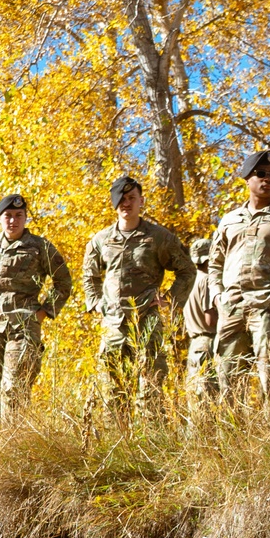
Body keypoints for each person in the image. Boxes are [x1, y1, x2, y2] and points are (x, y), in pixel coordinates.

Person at [82, 176, 195, 416]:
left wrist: (170, 298)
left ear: (141, 201)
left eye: (132, 198)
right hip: (112, 326)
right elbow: (89, 276)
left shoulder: (159, 237)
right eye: (121, 199)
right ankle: (118, 448)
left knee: (150, 392)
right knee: (114, 395)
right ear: (114, 203)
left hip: (147, 323)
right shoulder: (101, 240)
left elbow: (187, 270)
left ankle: (154, 448)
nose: (126, 203)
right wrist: (96, 303)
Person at [0, 193, 72, 426]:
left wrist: (45, 311)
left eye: (19, 215)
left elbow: (63, 282)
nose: (13, 221)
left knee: (14, 387)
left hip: (24, 326)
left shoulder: (40, 247)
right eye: (8, 216)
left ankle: (17, 443)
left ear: (26, 218)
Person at [209, 151, 270, 399]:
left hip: (269, 306)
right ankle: (231, 435)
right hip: (232, 307)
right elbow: (215, 263)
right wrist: (217, 296)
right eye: (260, 174)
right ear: (247, 179)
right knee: (228, 378)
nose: (267, 179)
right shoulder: (229, 220)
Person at [183, 238, 218, 410]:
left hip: (194, 344)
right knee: (207, 401)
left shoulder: (188, 281)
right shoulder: (206, 281)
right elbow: (209, 318)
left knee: (196, 400)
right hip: (207, 343)